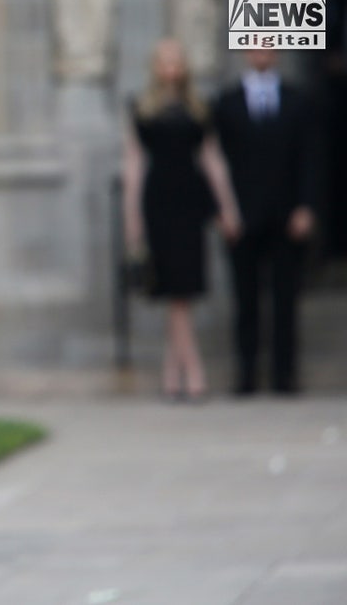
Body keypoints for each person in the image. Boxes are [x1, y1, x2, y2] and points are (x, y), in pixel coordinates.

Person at [122, 39, 241, 401]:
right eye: (165, 62)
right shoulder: (141, 109)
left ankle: (173, 373)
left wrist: (227, 207)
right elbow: (133, 165)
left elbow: (213, 161)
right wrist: (132, 219)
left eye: (177, 61)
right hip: (159, 204)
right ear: (156, 66)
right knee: (175, 293)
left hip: (191, 204)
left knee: (183, 292)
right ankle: (193, 373)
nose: (171, 69)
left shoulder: (199, 109)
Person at [213, 48, 320, 395]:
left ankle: (284, 375)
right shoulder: (226, 104)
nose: (262, 50)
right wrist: (223, 210)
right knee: (245, 300)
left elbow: (310, 157)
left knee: (286, 299)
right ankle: (246, 374)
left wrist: (306, 205)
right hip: (241, 216)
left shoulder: (297, 101)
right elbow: (217, 163)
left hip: (285, 214)